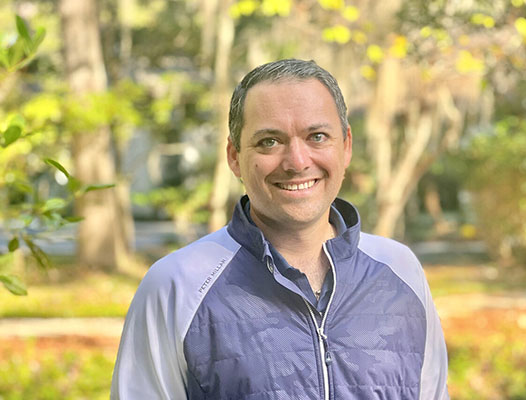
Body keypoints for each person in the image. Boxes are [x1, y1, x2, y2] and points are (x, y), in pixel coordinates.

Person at [111, 59, 449, 399]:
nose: (297, 162)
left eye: (317, 136)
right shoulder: (176, 286)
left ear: (346, 146)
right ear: (234, 156)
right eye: (270, 142)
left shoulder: (400, 271)